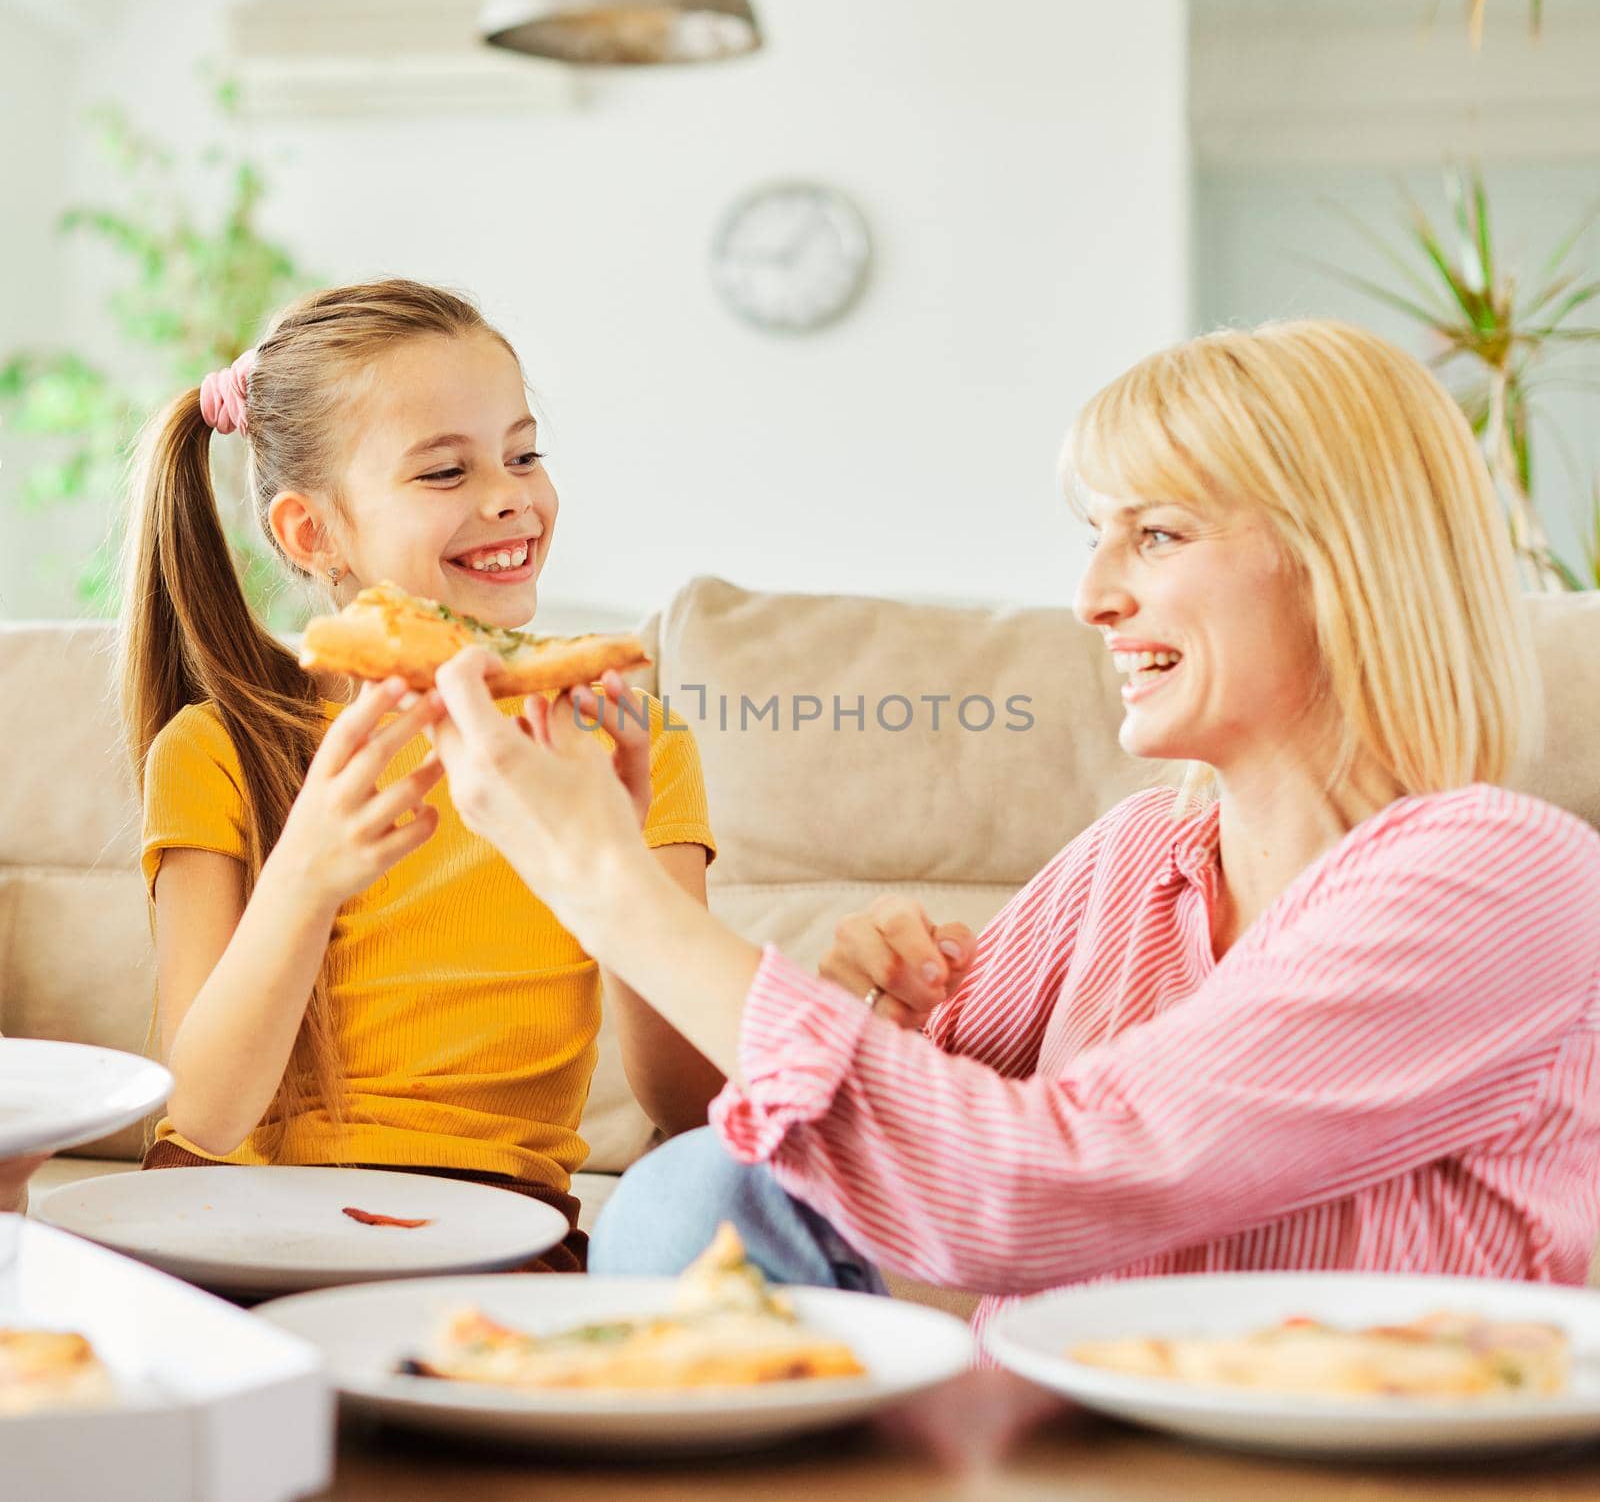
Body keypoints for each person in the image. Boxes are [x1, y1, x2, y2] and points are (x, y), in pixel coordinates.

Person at [421, 319, 1600, 1321]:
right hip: (1046, 1436)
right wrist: (886, 1009)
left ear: (1341, 559)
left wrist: (604, 884)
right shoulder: (1138, 857)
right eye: (1096, 538)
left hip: (1319, 1462)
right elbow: (898, 1131)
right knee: (695, 1190)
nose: (1092, 597)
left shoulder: (1500, 877)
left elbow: (1041, 1182)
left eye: (1158, 533)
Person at [120, 280, 718, 1268]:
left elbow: (688, 1105)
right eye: (445, 471)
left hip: (500, 1226)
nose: (508, 494)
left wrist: (615, 869)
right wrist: (307, 873)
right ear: (313, 533)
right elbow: (203, 1116)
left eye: (523, 452)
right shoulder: (217, 748)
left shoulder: (622, 738)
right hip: (233, 1223)